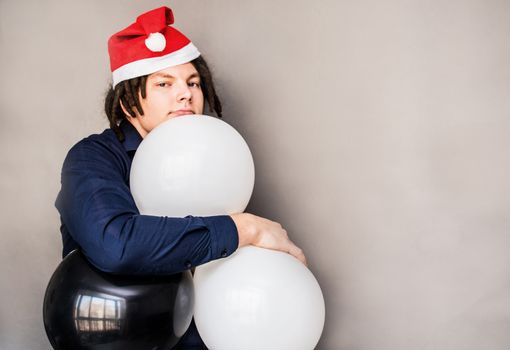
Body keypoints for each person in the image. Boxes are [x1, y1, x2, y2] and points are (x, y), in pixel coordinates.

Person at [55, 6, 306, 349]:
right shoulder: (93, 158)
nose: (186, 94)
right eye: (164, 83)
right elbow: (117, 244)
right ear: (128, 103)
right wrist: (245, 228)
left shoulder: (218, 160)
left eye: (193, 82)